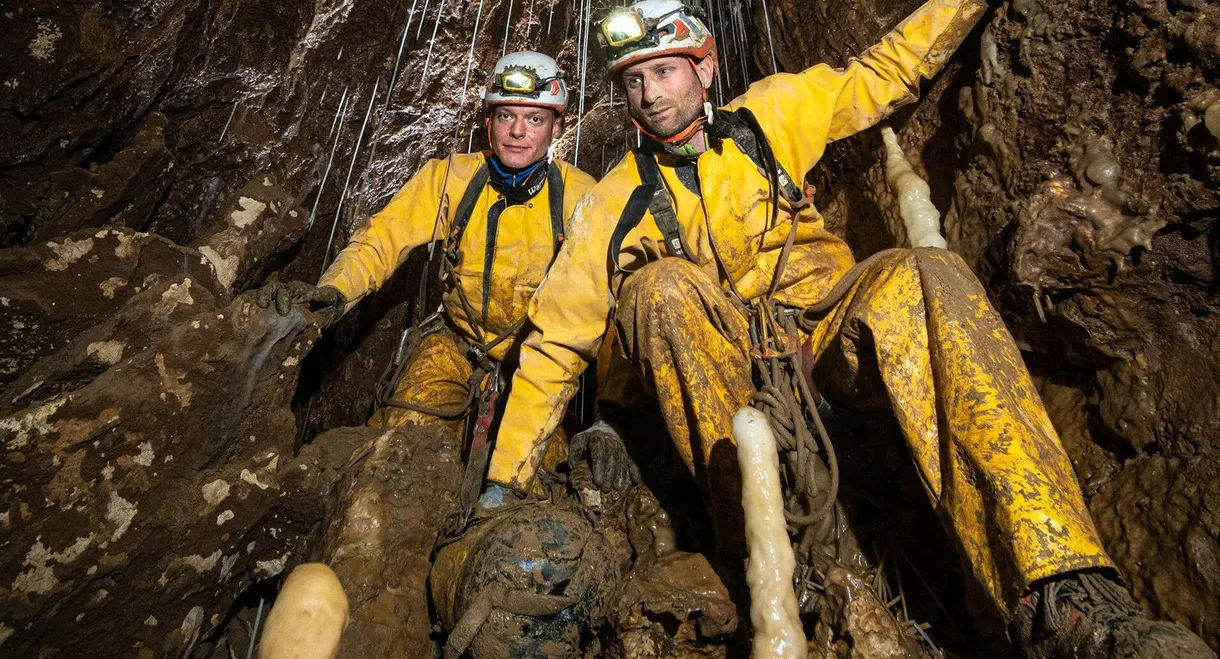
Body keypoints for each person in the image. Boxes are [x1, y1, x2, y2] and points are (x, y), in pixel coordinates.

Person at [476, 2, 1215, 656]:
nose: (649, 92)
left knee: (925, 273)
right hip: (730, 379)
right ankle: (775, 566)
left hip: (829, 337)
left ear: (705, 69)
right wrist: (504, 480)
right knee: (656, 289)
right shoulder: (616, 199)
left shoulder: (772, 114)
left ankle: (1064, 589)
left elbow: (882, 73)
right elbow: (557, 336)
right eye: (634, 80)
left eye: (664, 71)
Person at [257, 51, 596, 507]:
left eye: (535, 119)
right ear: (489, 121)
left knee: (540, 488)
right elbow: (383, 237)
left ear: (556, 127)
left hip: (540, 365)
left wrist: (611, 416)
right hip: (454, 346)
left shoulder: (585, 200)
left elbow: (606, 311)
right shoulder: (451, 178)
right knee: (391, 457)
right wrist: (334, 291)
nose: (518, 131)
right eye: (506, 115)